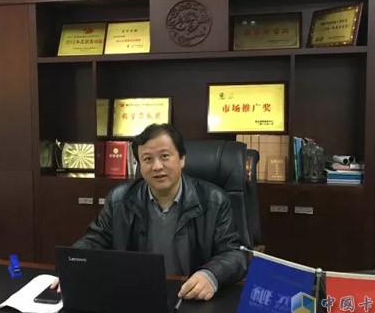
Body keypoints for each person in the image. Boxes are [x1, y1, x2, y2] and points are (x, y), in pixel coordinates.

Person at [51, 123, 248, 301]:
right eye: (147, 159)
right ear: (139, 165)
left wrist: (211, 275)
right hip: (135, 296)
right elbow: (95, 239)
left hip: (189, 296)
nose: (157, 166)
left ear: (182, 159)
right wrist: (72, 267)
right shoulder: (120, 199)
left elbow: (234, 253)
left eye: (165, 156)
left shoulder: (214, 200)